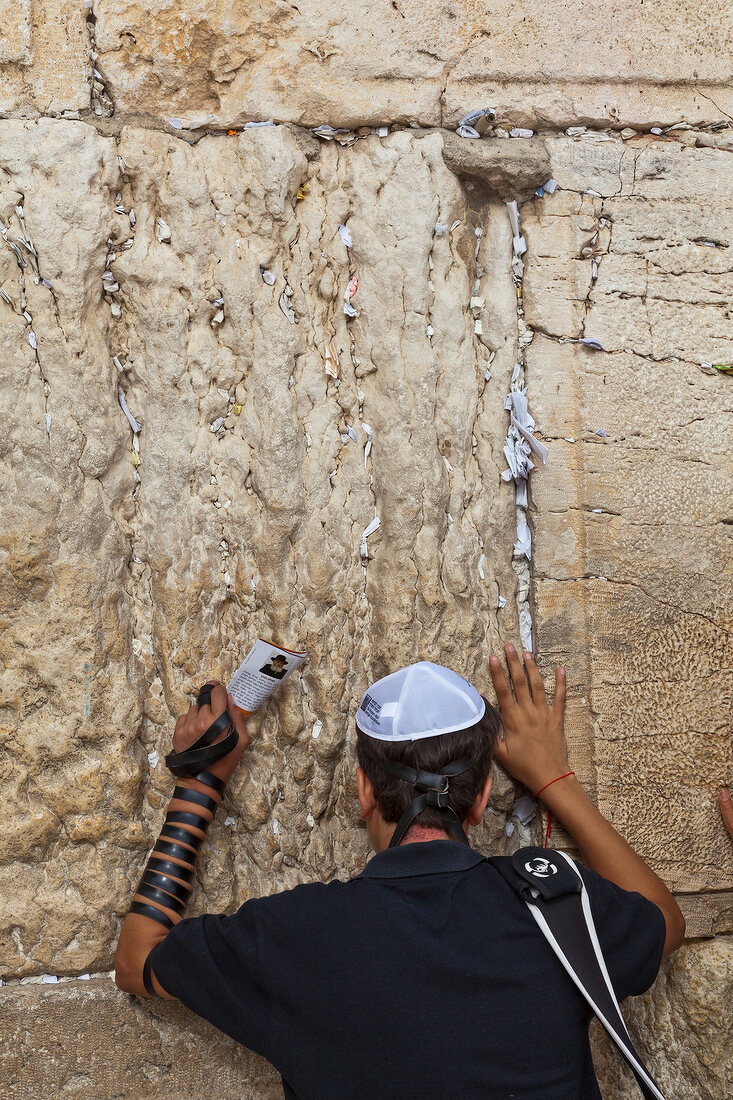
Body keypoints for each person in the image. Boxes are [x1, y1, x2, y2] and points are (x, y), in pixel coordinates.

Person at [114, 645, 685, 1099]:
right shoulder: (557, 903)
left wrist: (200, 782)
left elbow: (137, 960)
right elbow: (664, 921)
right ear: (483, 795)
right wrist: (553, 778)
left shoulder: (296, 934)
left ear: (363, 789)